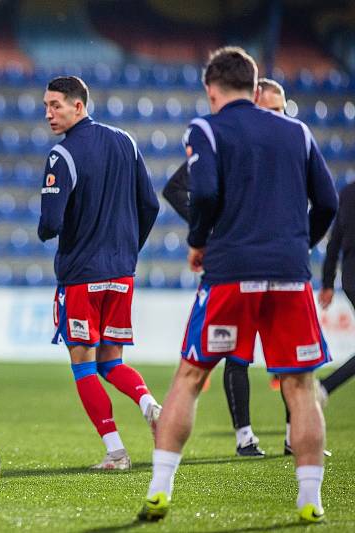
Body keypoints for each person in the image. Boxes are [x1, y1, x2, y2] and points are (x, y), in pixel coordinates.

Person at [138, 47, 338, 524]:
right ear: (254, 87)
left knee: (190, 377)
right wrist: (297, 246)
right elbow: (327, 202)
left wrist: (199, 239)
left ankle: (159, 490)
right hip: (289, 278)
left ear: (212, 89)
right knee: (300, 386)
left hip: (230, 274)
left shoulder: (206, 128)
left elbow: (201, 191)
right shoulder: (298, 132)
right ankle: (310, 498)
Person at [37, 76, 162, 470]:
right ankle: (149, 404)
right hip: (122, 274)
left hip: (81, 276)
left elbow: (50, 223)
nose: (48, 114)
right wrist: (127, 250)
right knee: (112, 362)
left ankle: (116, 452)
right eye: (46, 106)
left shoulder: (64, 154)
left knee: (85, 365)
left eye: (55, 105)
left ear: (78, 105)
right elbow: (151, 206)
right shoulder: (126, 141)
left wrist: (46, 227)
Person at [162, 77, 290, 457]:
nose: (275, 117)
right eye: (269, 110)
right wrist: (209, 231)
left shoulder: (290, 144)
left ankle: (292, 437)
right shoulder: (227, 146)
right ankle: (245, 437)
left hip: (279, 263)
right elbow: (176, 188)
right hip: (235, 261)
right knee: (237, 352)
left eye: (281, 110)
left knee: (288, 357)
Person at [316, 180, 355, 410]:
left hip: (350, 278)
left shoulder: (347, 193)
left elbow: (334, 242)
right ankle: (323, 387)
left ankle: (324, 387)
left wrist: (328, 282)